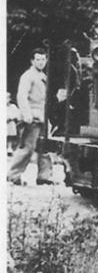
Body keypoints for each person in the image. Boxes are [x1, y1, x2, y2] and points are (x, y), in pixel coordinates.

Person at [8, 48, 54, 185]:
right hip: (32, 116)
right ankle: (13, 175)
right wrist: (27, 115)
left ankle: (44, 177)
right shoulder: (28, 76)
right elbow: (21, 96)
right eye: (38, 59)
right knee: (27, 147)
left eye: (43, 59)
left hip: (43, 116)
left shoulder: (43, 76)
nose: (41, 62)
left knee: (45, 148)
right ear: (32, 61)